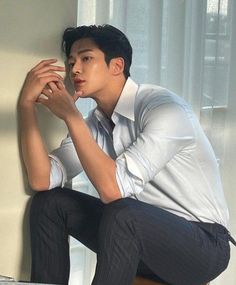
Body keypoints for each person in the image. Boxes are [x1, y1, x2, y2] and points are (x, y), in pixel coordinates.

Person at [18, 24, 234, 285]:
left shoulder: (165, 109)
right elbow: (42, 179)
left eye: (86, 59)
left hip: (202, 246)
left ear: (117, 66)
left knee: (122, 212)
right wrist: (26, 105)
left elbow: (113, 191)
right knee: (50, 204)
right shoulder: (94, 124)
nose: (74, 69)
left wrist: (70, 116)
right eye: (71, 61)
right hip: (138, 238)